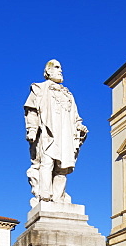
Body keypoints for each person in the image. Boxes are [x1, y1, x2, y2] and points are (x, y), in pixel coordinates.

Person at [24, 59, 87, 205]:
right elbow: (31, 111)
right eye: (56, 67)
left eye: (60, 68)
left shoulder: (68, 94)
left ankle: (58, 198)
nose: (60, 70)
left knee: (63, 168)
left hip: (65, 133)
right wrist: (32, 130)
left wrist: (80, 127)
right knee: (47, 161)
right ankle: (45, 196)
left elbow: (76, 116)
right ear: (48, 71)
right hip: (47, 131)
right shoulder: (39, 88)